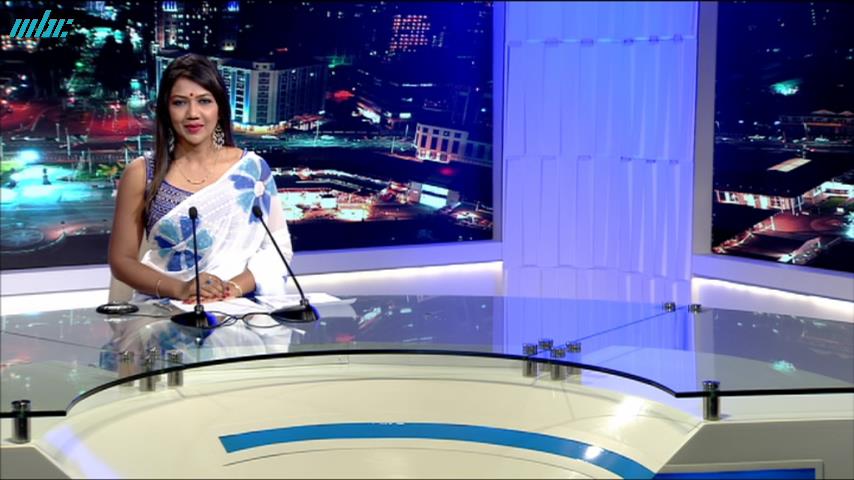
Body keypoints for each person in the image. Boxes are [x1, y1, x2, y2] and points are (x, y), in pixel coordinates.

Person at [108, 53, 293, 303]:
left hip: (238, 308)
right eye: (180, 103)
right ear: (166, 110)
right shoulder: (142, 173)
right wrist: (181, 289)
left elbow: (277, 249)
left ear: (220, 108)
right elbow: (122, 261)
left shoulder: (252, 171)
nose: (193, 113)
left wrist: (231, 289)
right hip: (167, 309)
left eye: (204, 101)